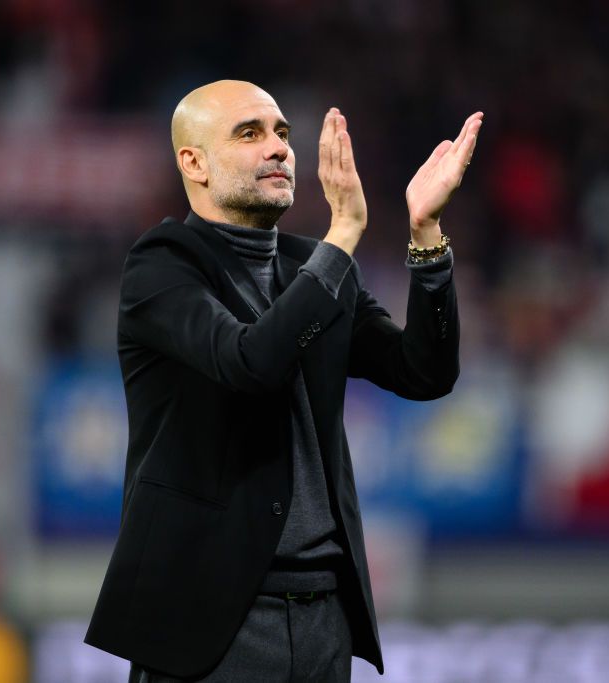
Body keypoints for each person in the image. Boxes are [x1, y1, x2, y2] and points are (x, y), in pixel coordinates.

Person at [84, 79, 482, 682]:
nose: (278, 148)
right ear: (195, 163)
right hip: (211, 624)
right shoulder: (161, 268)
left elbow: (422, 373)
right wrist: (343, 234)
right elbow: (250, 362)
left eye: (282, 133)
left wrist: (425, 235)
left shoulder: (310, 266)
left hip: (324, 618)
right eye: (249, 134)